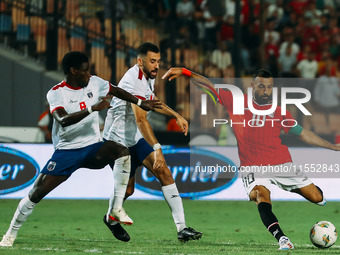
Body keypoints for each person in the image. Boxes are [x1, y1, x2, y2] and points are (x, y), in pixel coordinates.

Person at [162, 67, 340, 250]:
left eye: (269, 87)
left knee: (317, 197)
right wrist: (185, 72)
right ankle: (282, 239)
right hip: (252, 166)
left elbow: (303, 134)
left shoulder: (278, 112)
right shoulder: (237, 102)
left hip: (281, 163)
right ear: (253, 85)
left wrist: (333, 147)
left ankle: (295, 188)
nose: (266, 91)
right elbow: (208, 84)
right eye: (262, 86)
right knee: (261, 196)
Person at [0, 51, 161, 247]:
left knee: (121, 150)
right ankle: (10, 234)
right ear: (73, 71)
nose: (89, 75)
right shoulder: (57, 92)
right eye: (85, 71)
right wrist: (92, 108)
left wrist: (140, 102)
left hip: (93, 147)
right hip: (67, 151)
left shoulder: (94, 82)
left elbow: (116, 90)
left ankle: (116, 209)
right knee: (36, 193)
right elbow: (63, 120)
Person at [103, 42, 202, 242]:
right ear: (140, 61)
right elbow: (141, 119)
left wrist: (176, 115)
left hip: (133, 138)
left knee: (163, 171)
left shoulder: (147, 77)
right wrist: (157, 148)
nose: (157, 65)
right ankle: (110, 219)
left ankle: (182, 229)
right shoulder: (133, 80)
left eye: (158, 61)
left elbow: (153, 101)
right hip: (117, 142)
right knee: (128, 190)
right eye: (152, 61)